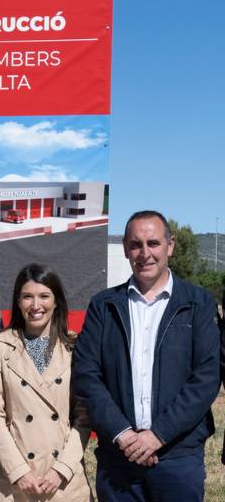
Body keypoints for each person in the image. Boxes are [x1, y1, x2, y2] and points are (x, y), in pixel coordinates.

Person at [73, 210, 220, 501]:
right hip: (118, 457)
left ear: (170, 246)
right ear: (126, 249)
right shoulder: (104, 306)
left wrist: (157, 435)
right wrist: (123, 434)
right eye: (136, 244)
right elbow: (86, 374)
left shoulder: (198, 303)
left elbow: (206, 376)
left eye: (153, 243)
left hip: (178, 457)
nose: (145, 253)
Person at [0, 263, 93, 501]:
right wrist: (19, 472)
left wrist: (60, 470)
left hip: (64, 481)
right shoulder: (1, 346)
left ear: (56, 302)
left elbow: (84, 417)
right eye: (27, 297)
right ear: (18, 301)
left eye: (44, 296)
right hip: (16, 482)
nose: (35, 305)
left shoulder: (75, 347)